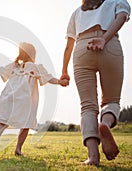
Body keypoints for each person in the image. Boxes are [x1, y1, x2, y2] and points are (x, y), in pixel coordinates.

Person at [60, 0, 130, 165]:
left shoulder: (77, 12)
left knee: (87, 106)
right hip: (109, 45)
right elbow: (122, 17)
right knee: (111, 101)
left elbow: (69, 45)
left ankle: (93, 157)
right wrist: (104, 39)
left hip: (81, 49)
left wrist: (64, 71)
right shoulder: (116, 1)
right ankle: (104, 123)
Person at [0, 42, 69, 159]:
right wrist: (61, 82)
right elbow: (49, 78)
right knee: (26, 124)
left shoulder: (14, 66)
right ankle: (18, 149)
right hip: (26, 99)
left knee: (3, 120)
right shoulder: (35, 67)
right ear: (33, 54)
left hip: (9, 96)